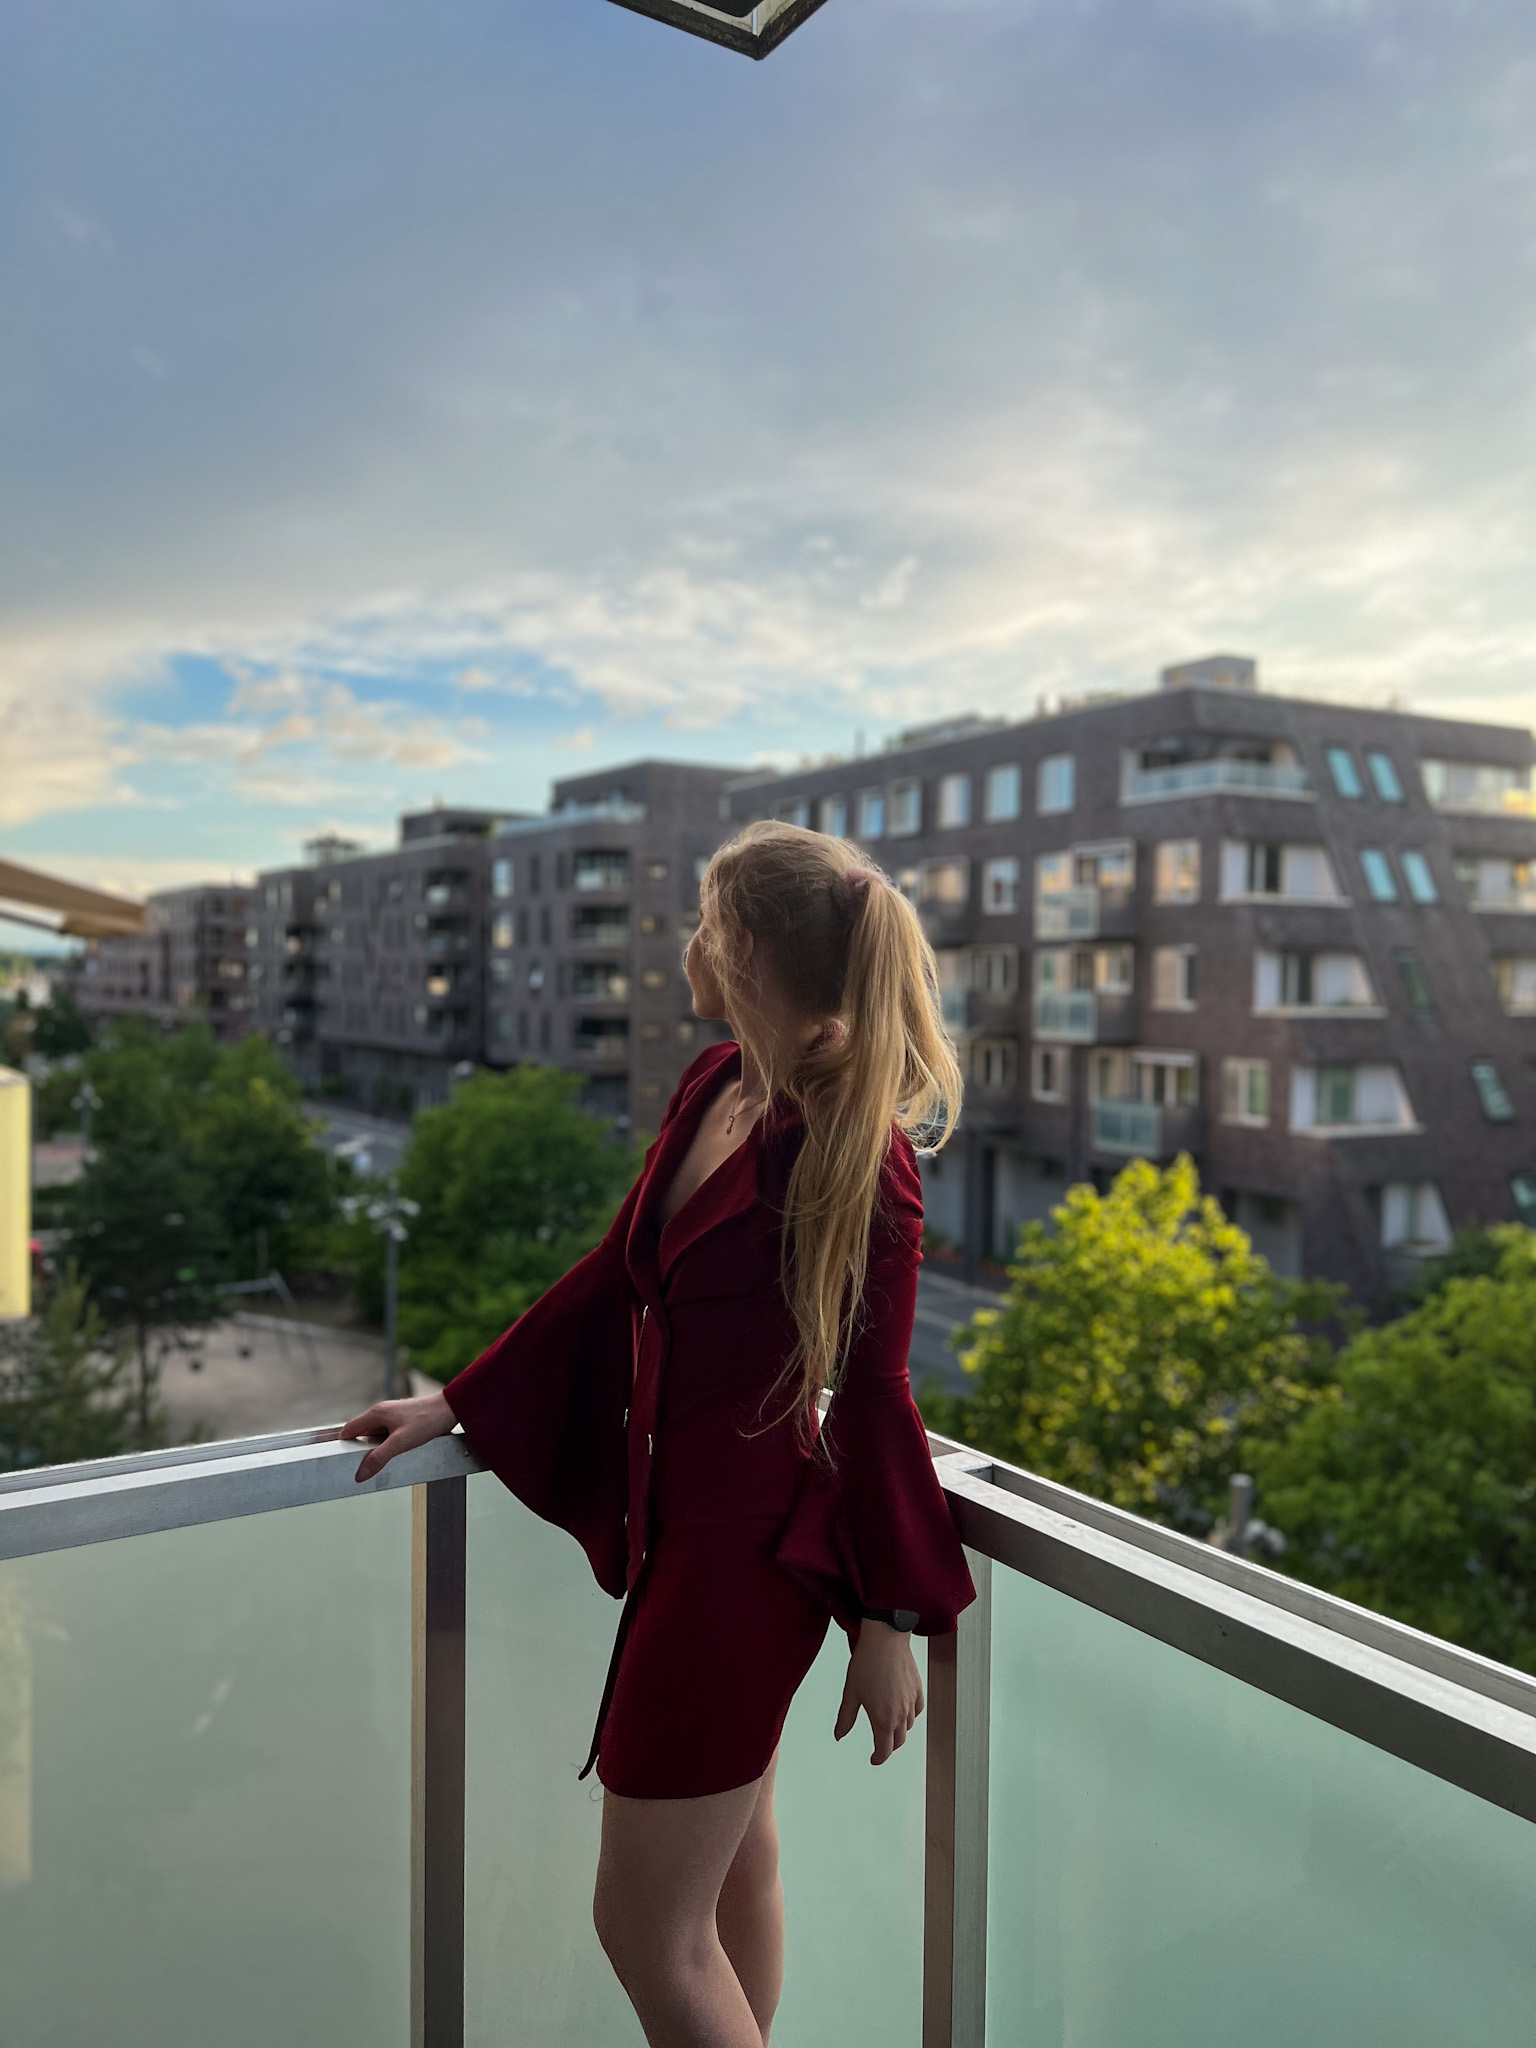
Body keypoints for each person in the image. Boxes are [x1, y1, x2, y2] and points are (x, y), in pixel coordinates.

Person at [338, 820, 975, 2048]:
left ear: (741, 946)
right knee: (736, 1867)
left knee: (645, 1925)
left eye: (700, 919)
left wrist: (889, 1618)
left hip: (745, 1571)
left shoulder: (855, 1157)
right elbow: (613, 1276)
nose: (683, 940)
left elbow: (878, 1395)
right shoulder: (715, 1085)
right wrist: (457, 1399)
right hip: (682, 1541)